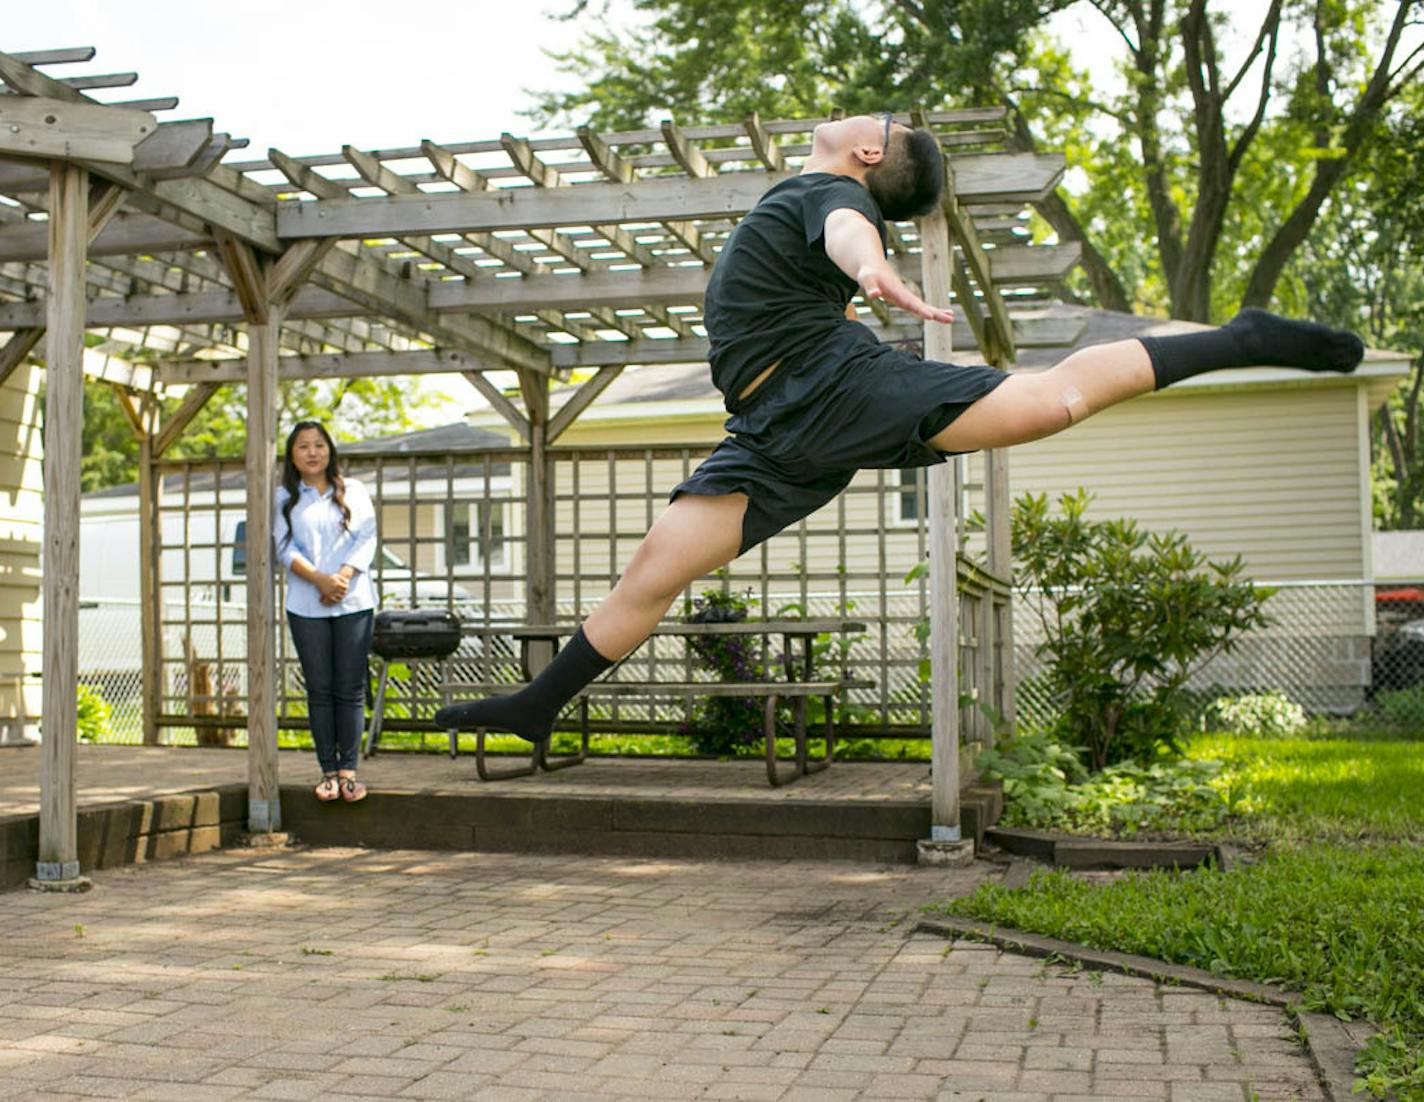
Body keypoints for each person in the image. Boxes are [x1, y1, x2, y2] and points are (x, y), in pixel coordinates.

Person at [435, 111, 1364, 741]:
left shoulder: (823, 198)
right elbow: (839, 236)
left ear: (870, 158)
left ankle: (1240, 338)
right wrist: (861, 273)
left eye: (877, 126)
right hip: (772, 429)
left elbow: (848, 231)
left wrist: (872, 269)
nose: (859, 120)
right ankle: (540, 705)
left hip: (835, 389)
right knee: (654, 569)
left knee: (1051, 402)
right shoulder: (798, 197)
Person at [274, 420, 377, 802]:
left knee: (350, 689)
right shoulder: (284, 497)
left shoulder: (355, 491)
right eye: (303, 446)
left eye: (319, 445)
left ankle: (349, 771)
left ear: (330, 450)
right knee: (319, 689)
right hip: (306, 604)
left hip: (354, 601)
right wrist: (319, 579)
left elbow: (367, 537)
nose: (312, 452)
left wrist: (343, 577)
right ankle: (327, 773)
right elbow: (284, 547)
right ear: (292, 455)